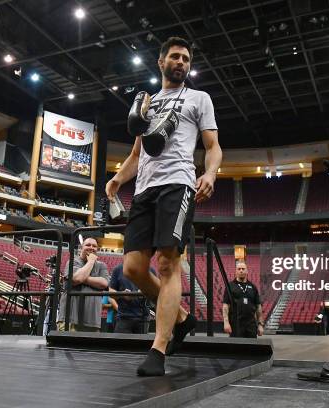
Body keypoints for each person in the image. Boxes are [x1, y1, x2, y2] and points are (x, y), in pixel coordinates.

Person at [105, 36, 222, 376]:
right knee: (132, 269)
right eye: (175, 57)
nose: (181, 62)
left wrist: (211, 173)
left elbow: (213, 146)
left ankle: (158, 349)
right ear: (161, 62)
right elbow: (136, 155)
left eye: (186, 58)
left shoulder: (199, 98)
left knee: (168, 264)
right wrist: (117, 180)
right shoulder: (148, 102)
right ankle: (183, 318)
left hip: (179, 184)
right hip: (144, 190)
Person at [57, 238, 109, 332]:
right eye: (88, 245)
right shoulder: (72, 261)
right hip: (70, 318)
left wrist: (81, 278)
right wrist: (91, 262)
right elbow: (77, 278)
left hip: (92, 321)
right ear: (81, 247)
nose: (91, 247)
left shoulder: (102, 266)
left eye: (94, 246)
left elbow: (104, 283)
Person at [109, 263, 156, 334]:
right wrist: (122, 294)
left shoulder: (151, 270)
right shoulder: (118, 269)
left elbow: (156, 291)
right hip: (123, 317)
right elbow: (110, 291)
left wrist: (146, 291)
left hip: (143, 319)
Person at [222, 261, 264, 338]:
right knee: (236, 348)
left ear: (247, 271)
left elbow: (258, 307)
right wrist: (226, 322)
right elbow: (225, 306)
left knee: (251, 348)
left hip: (251, 324)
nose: (241, 270)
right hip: (236, 324)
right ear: (236, 271)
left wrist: (260, 325)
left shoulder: (253, 287)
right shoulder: (230, 286)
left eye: (243, 269)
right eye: (239, 269)